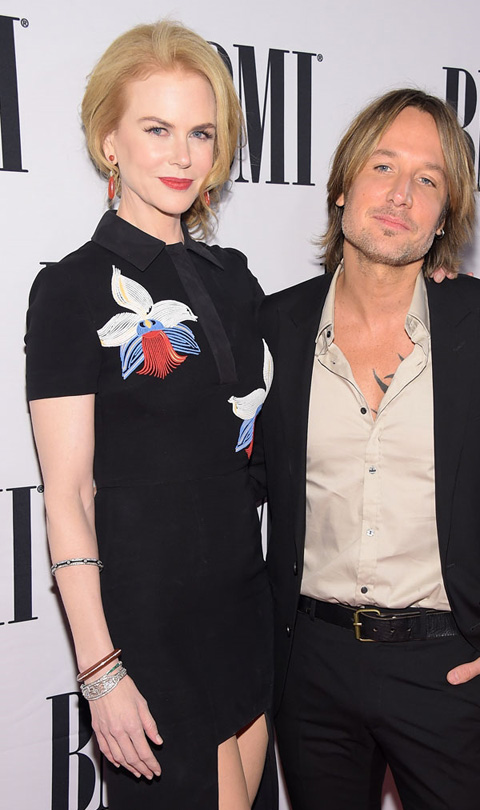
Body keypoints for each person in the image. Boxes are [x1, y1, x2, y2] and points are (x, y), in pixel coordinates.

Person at [257, 89, 480, 810]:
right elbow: (237, 488)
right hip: (311, 667)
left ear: (444, 216)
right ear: (342, 187)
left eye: (428, 179)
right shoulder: (274, 325)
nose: (401, 194)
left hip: (451, 667)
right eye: (383, 167)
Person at [25, 21, 275, 810]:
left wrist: (420, 283)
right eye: (157, 129)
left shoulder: (235, 279)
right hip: (148, 631)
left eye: (201, 132)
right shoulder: (70, 290)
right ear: (110, 141)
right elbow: (68, 496)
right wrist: (100, 669)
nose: (183, 155)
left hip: (244, 611)